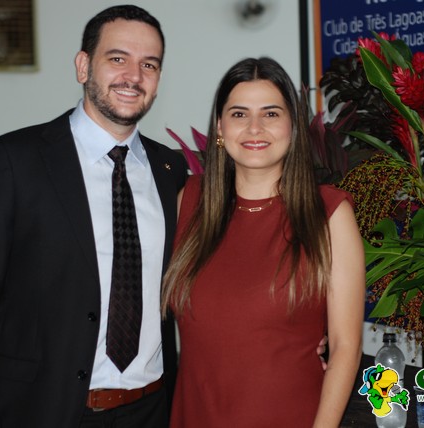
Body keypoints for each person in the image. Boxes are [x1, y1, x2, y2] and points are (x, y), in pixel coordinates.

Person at [0, 5, 187, 428]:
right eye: (118, 58)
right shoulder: (14, 161)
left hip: (151, 409)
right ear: (83, 66)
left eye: (149, 64)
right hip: (44, 409)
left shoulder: (170, 169)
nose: (133, 76)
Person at [162, 57, 365, 427]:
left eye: (271, 114)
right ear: (220, 127)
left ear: (293, 126)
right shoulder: (188, 202)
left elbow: (346, 348)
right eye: (239, 114)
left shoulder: (329, 213)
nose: (254, 128)